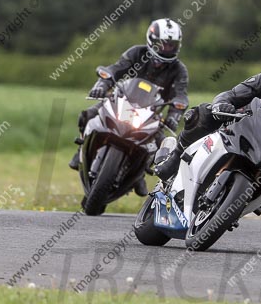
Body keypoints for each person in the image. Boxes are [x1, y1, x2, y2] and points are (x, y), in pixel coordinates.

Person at [155, 51, 261, 216]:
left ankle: (241, 202)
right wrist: (222, 105)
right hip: (239, 126)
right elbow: (230, 95)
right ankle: (174, 158)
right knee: (202, 113)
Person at [69, 18, 189, 196]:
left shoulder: (179, 69)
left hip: (151, 114)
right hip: (121, 101)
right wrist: (102, 85)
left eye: (171, 45)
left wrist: (174, 116)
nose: (166, 48)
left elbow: (181, 95)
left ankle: (139, 174)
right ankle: (81, 148)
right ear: (152, 40)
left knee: (163, 146)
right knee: (88, 115)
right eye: (163, 44)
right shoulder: (137, 53)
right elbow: (115, 69)